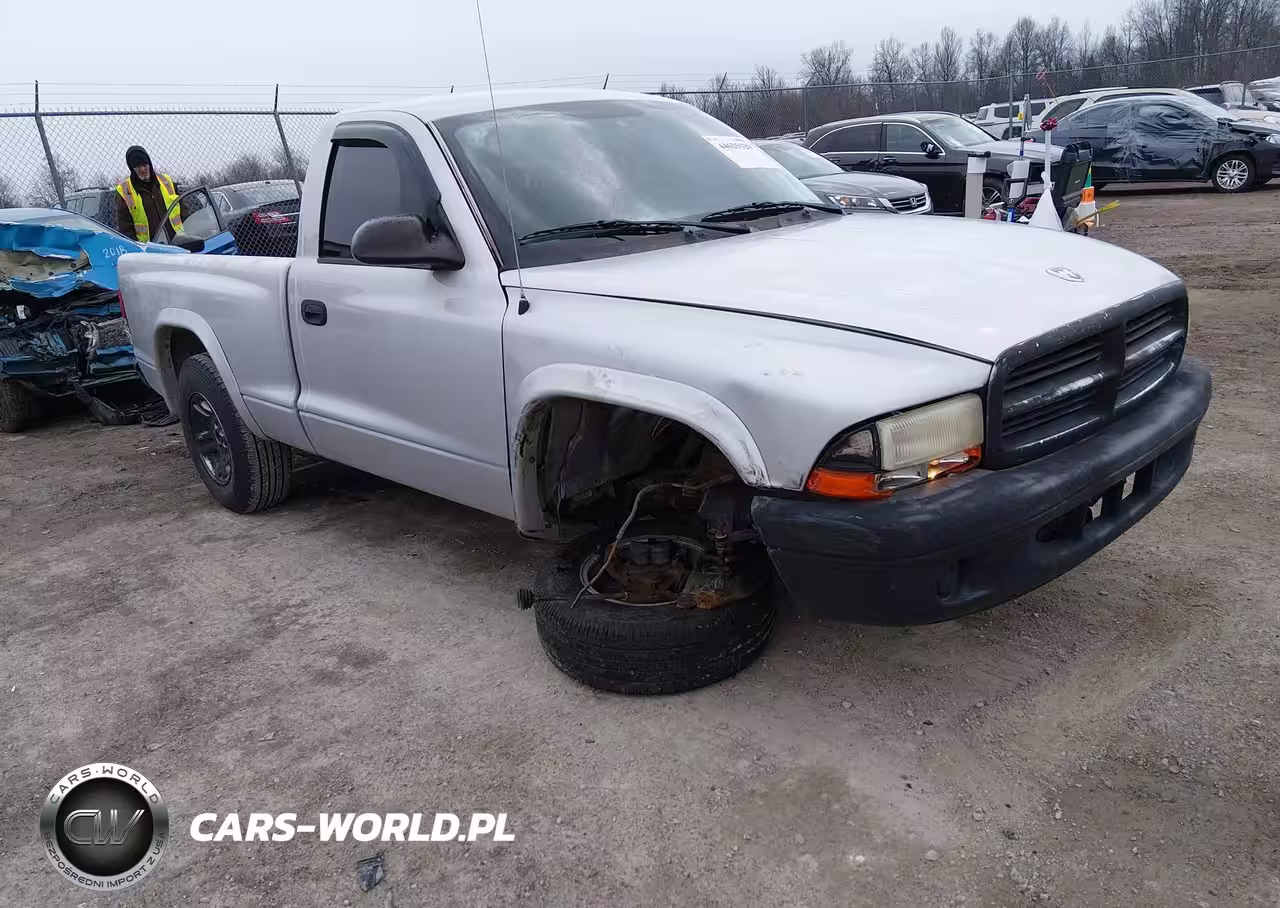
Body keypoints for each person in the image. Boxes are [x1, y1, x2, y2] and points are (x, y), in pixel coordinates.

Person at [114, 146, 183, 243]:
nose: (142, 169)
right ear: (132, 168)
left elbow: (183, 209)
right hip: (150, 248)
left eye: (144, 165)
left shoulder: (166, 181)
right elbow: (125, 228)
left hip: (178, 241)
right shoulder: (124, 191)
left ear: (149, 164)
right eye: (137, 167)